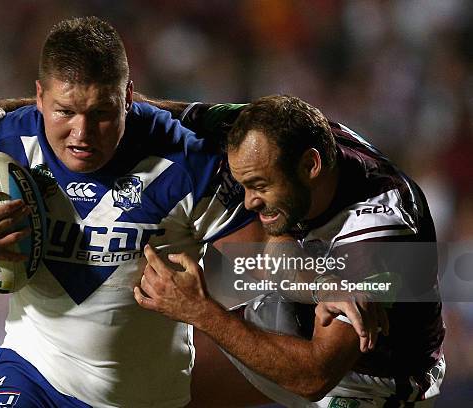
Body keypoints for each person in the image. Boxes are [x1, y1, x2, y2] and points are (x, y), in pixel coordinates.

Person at [0, 16, 276, 408]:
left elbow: (264, 269)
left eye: (101, 114)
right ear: (38, 97)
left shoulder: (186, 162)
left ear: (128, 98)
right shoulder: (6, 145)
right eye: (65, 111)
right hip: (31, 375)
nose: (81, 134)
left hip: (147, 398)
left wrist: (337, 286)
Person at [132, 96, 445, 407]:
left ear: (311, 166)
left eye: (259, 185)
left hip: (371, 385)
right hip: (301, 322)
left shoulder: (379, 235)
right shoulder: (284, 135)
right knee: (157, 391)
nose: (249, 202)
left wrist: (199, 310)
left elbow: (314, 377)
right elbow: (169, 112)